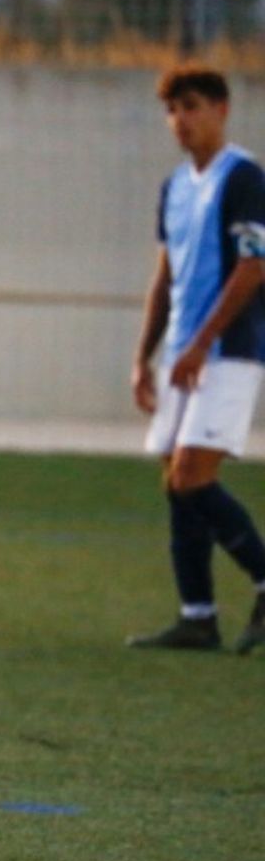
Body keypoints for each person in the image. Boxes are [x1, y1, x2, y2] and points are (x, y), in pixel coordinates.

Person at [129, 64, 265, 654]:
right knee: (175, 483)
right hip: (184, 350)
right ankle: (197, 616)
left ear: (221, 109)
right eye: (172, 110)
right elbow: (165, 277)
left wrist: (202, 342)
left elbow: (254, 266)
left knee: (192, 476)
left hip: (227, 350)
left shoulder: (245, 177)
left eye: (191, 107)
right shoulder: (176, 187)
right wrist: (144, 355)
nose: (180, 120)